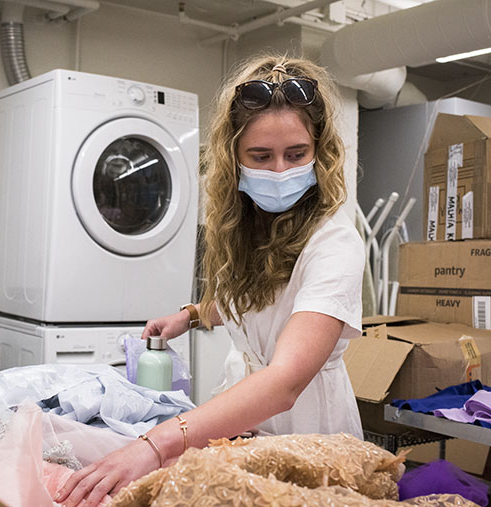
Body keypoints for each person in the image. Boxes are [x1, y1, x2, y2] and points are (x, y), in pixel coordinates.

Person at [55, 55, 365, 507]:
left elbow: (284, 382)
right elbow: (257, 298)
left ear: (320, 152)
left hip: (309, 431)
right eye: (261, 156)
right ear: (233, 157)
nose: (280, 171)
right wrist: (193, 314)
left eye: (296, 154)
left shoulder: (334, 242)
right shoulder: (246, 225)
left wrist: (156, 444)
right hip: (247, 423)